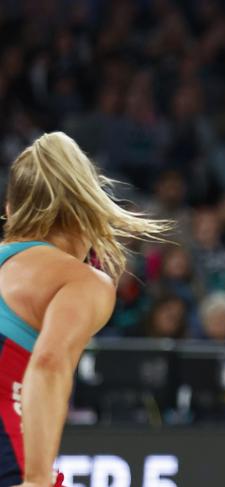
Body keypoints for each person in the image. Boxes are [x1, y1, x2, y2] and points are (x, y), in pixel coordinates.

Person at [0, 132, 169, 487]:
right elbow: (48, 364)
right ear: (87, 210)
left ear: (10, 209)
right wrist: (35, 479)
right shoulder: (82, 281)